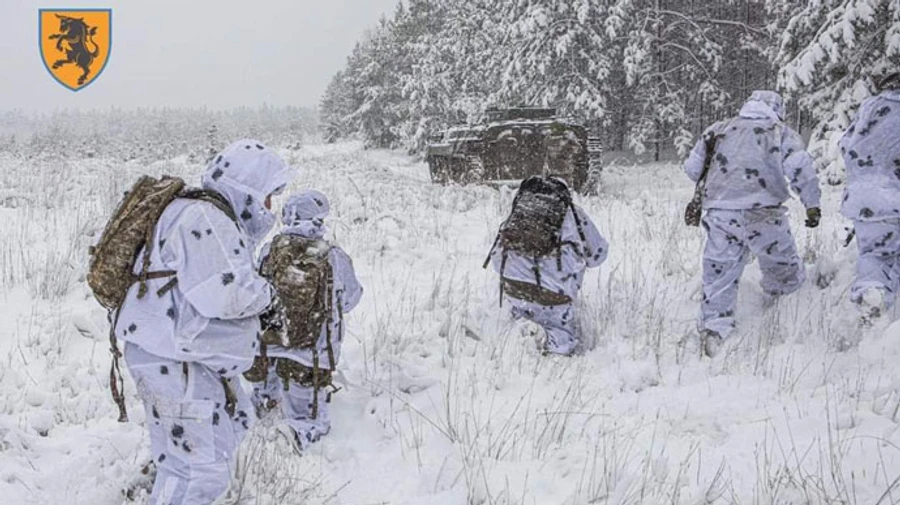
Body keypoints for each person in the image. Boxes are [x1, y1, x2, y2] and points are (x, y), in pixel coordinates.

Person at [116, 139, 292, 504]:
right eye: (267, 196)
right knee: (202, 472)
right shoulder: (206, 218)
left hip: (171, 357)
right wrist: (269, 297)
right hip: (177, 362)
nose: (268, 208)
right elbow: (226, 293)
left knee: (190, 458)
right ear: (247, 187)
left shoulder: (191, 211)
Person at [684, 90, 822, 357]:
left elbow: (692, 169)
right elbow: (801, 168)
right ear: (776, 109)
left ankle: (714, 331)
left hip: (721, 214)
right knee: (783, 269)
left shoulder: (719, 130)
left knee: (719, 275)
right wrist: (812, 205)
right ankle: (780, 318)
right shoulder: (779, 132)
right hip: (764, 215)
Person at [247, 190, 363, 450]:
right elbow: (352, 298)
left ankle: (256, 427)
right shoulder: (334, 256)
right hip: (312, 353)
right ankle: (292, 441)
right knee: (310, 419)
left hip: (268, 346)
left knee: (263, 402)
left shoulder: (269, 250)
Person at [487, 176, 607, 356]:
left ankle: (521, 340)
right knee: (559, 335)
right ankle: (557, 350)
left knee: (520, 320)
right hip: (553, 296)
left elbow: (496, 259)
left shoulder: (520, 211)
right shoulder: (573, 214)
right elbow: (598, 256)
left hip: (514, 288)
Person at [839, 72, 900, 325]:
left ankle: (871, 298)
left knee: (875, 255)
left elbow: (845, 145)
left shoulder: (868, 108)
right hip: (893, 191)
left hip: (864, 198)